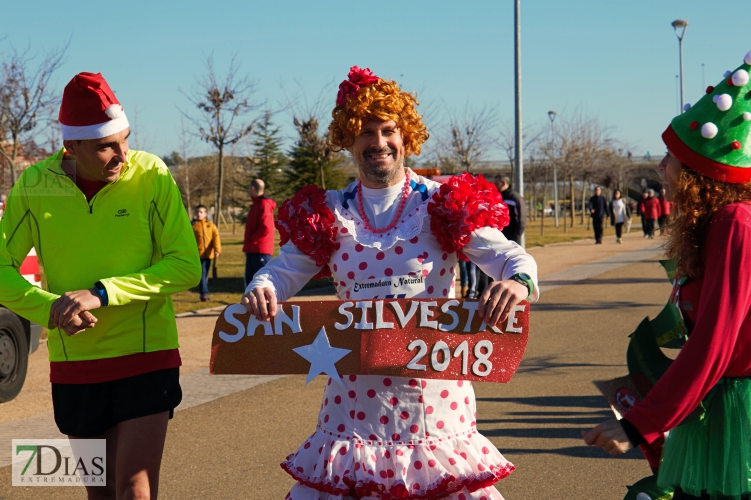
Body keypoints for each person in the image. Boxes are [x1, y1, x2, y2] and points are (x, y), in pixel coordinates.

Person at [243, 66, 539, 500]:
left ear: (406, 137)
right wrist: (263, 286)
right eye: (365, 133)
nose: (378, 143)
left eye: (387, 131)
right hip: (353, 416)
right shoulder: (329, 211)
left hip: (435, 411)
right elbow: (283, 271)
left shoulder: (441, 203)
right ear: (349, 139)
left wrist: (518, 283)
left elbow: (512, 257)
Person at [0, 72, 201, 499]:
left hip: (147, 358)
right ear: (70, 147)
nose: (122, 155)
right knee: (102, 493)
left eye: (125, 139)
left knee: (134, 489)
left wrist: (104, 291)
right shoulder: (36, 185)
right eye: (106, 145)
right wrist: (48, 308)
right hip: (76, 369)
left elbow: (186, 267)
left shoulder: (152, 175)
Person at [584, 51, 751, 499]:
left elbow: (715, 343)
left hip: (739, 408)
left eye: (670, 157)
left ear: (700, 174)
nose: (661, 168)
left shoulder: (736, 222)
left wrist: (640, 425)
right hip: (720, 401)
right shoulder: (721, 222)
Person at [242, 178, 276, 287]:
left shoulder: (264, 204)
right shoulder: (257, 204)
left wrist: (252, 239)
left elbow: (265, 228)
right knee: (250, 282)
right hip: (253, 248)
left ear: (252, 188)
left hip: (260, 249)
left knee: (263, 282)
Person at [192, 204, 222, 302]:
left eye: (201, 212)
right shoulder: (193, 226)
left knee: (205, 274)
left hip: (209, 255)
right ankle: (203, 294)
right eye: (197, 212)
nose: (198, 214)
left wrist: (217, 250)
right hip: (197, 255)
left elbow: (216, 238)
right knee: (202, 273)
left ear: (205, 214)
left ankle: (204, 293)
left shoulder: (211, 226)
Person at [494, 175, 526, 244]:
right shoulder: (496, 197)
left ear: (504, 183)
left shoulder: (515, 198)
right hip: (498, 239)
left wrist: (514, 240)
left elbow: (521, 222)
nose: (495, 186)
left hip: (511, 239)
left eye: (497, 184)